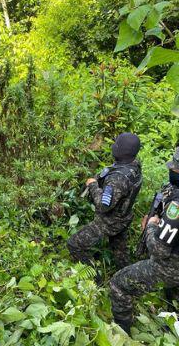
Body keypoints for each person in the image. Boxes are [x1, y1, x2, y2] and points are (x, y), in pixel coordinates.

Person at [110, 150, 179, 335]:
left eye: (175, 168)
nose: (172, 169)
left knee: (118, 284)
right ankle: (171, 323)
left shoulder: (177, 205)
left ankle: (122, 335)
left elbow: (159, 251)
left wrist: (149, 227)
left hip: (173, 265)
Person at [66, 132, 143, 272]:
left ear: (120, 150)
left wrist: (93, 185)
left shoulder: (117, 179)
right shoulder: (134, 166)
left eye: (116, 144)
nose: (113, 145)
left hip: (110, 221)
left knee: (74, 245)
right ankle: (128, 280)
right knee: (121, 253)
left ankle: (93, 279)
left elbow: (103, 205)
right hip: (124, 217)